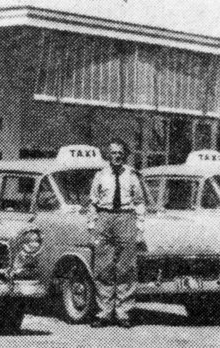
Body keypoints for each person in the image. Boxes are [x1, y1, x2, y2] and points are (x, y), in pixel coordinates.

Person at [87, 138, 145, 328]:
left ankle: (123, 312)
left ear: (124, 154)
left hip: (126, 218)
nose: (117, 156)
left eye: (120, 153)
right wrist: (92, 226)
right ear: (108, 155)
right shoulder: (100, 175)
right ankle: (104, 312)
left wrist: (139, 227)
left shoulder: (132, 175)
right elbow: (93, 202)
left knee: (125, 267)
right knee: (103, 266)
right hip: (105, 218)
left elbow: (139, 202)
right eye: (113, 152)